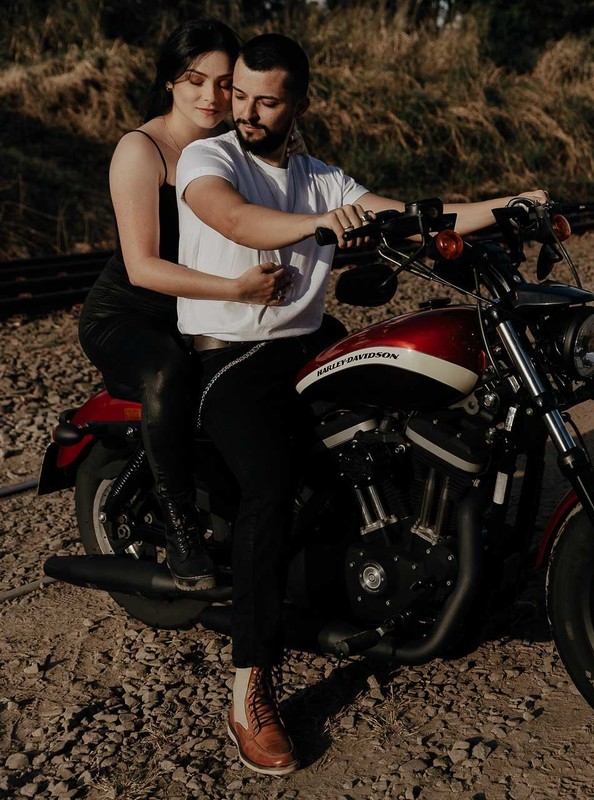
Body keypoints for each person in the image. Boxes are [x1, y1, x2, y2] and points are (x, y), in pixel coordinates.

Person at [174, 32, 546, 775]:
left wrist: (508, 206)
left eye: (265, 100)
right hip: (230, 357)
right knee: (270, 488)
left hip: (305, 343)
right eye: (240, 95)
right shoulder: (209, 158)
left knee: (398, 432)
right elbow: (233, 219)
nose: (245, 111)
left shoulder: (318, 175)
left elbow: (411, 214)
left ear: (298, 103)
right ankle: (250, 687)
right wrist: (312, 229)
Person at [77, 20, 288, 592]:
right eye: (197, 80)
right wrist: (236, 291)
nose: (212, 97)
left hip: (191, 309)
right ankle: (180, 526)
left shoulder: (232, 147)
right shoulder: (140, 150)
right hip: (128, 314)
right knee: (170, 366)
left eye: (226, 85)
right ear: (171, 80)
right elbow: (143, 267)